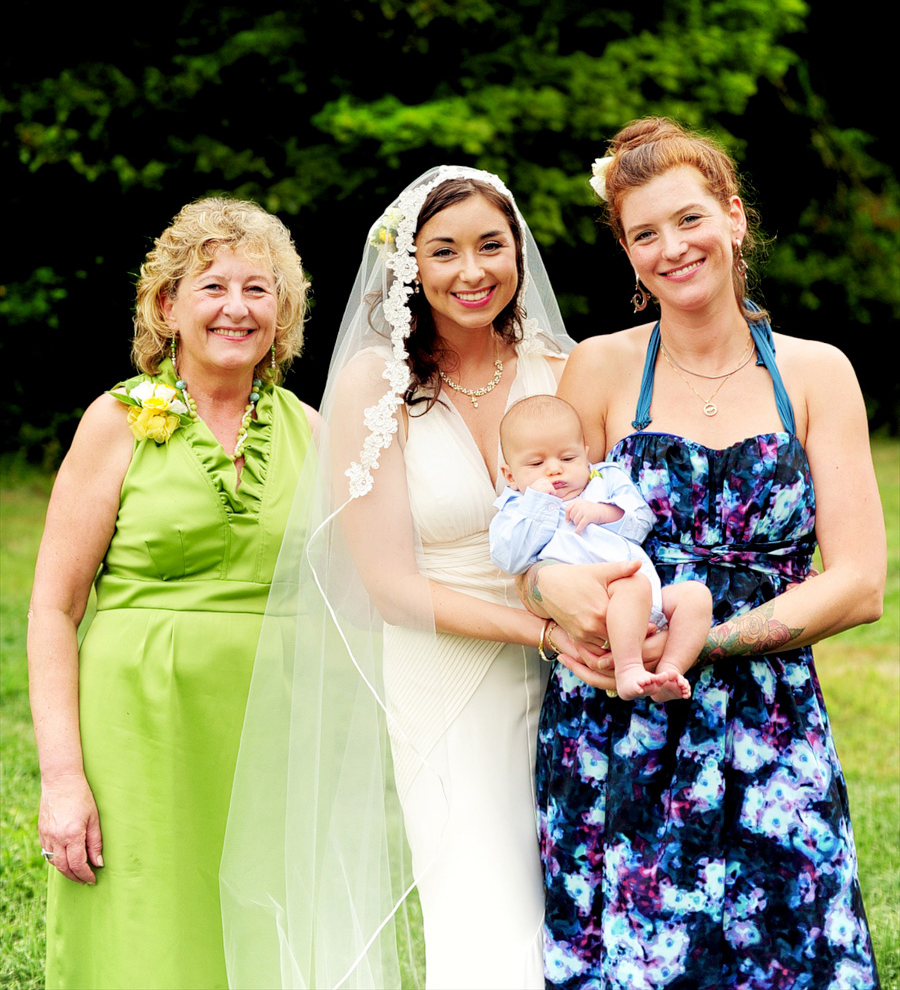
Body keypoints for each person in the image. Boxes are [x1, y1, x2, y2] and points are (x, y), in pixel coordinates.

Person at [221, 165, 637, 990]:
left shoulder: (566, 366)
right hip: (448, 669)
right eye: (443, 250)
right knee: (484, 907)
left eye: (491, 244)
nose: (471, 270)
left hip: (586, 669)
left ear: (519, 250)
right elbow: (389, 586)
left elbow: (614, 506)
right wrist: (547, 631)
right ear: (410, 264)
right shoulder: (376, 384)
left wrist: (585, 630)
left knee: (585, 903)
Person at [527, 118, 884, 988]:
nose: (672, 248)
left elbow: (861, 582)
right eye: (644, 233)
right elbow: (541, 535)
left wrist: (711, 643)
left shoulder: (816, 371)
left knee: (792, 955)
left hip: (770, 722)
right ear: (626, 252)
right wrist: (559, 597)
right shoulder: (599, 369)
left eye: (688, 220)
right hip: (619, 724)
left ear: (733, 218)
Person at [27, 197, 317, 990]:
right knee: (144, 939)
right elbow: (53, 606)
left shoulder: (312, 430)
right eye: (213, 286)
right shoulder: (115, 421)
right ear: (167, 305)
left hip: (270, 731)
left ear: (283, 310)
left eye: (259, 289)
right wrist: (62, 777)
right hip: (138, 736)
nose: (236, 307)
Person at [490, 394, 712, 702]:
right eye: (537, 463)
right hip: (597, 601)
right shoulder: (516, 508)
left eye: (567, 459)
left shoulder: (605, 479)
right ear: (511, 475)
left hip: (648, 593)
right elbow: (510, 558)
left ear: (585, 454)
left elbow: (641, 520)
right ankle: (629, 668)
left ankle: (669, 671)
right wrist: (538, 503)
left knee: (695, 597)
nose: (555, 471)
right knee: (631, 585)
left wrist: (603, 512)